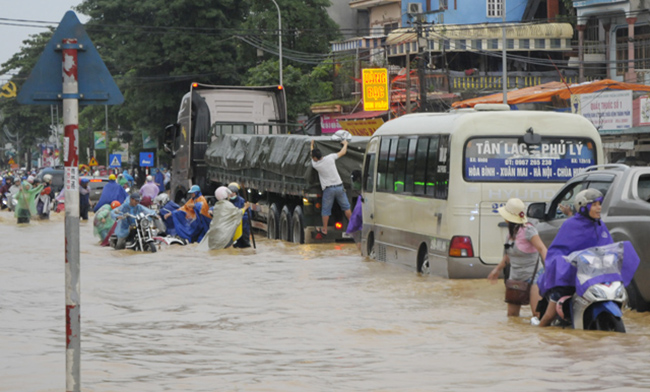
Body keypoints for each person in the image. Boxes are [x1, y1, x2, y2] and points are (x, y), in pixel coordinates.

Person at [537, 189, 613, 327]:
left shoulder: (600, 225)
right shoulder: (570, 225)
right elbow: (556, 252)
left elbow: (609, 247)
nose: (599, 208)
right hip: (570, 275)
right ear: (583, 206)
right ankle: (539, 331)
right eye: (594, 204)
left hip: (593, 275)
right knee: (549, 316)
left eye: (599, 204)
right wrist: (565, 261)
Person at [487, 198, 547, 318]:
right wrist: (497, 270)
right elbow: (508, 256)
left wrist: (550, 269)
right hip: (515, 278)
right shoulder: (510, 233)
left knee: (537, 314)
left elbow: (542, 249)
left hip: (533, 276)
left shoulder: (529, 230)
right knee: (512, 316)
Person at [310, 139, 352, 239]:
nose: (312, 158)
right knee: (346, 207)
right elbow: (343, 152)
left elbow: (311, 153)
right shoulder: (330, 157)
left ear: (315, 158)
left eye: (313, 157)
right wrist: (345, 144)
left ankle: (324, 229)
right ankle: (353, 226)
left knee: (326, 210)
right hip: (339, 187)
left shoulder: (316, 165)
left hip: (328, 190)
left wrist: (311, 144)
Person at [227, 182, 251, 248]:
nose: (231, 194)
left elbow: (248, 215)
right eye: (230, 192)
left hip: (243, 228)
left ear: (236, 192)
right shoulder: (227, 202)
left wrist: (238, 219)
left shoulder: (242, 201)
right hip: (231, 229)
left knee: (245, 246)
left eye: (233, 192)